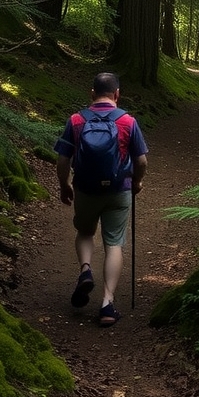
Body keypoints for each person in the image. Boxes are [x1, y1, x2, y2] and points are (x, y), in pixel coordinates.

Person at [55, 72, 148, 327]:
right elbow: (141, 161)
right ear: (117, 94)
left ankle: (85, 269)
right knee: (114, 243)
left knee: (85, 232)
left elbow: (63, 159)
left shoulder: (76, 120)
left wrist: (65, 185)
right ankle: (107, 303)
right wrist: (137, 182)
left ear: (92, 93)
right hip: (119, 190)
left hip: (85, 189)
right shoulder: (128, 122)